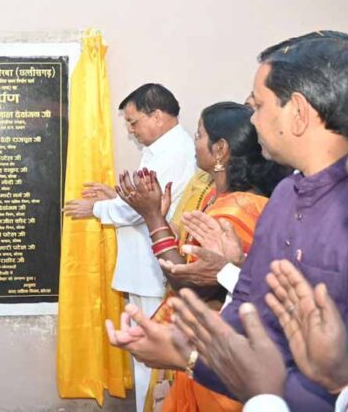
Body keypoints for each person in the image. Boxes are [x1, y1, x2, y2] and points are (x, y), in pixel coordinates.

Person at [105, 31, 348, 411]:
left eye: (258, 105)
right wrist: (188, 346)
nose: (253, 120)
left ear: (297, 112)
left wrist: (190, 358)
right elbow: (247, 305)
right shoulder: (286, 193)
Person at [116, 102, 287, 411]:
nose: (194, 143)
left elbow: (191, 286)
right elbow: (190, 261)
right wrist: (162, 220)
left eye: (199, 135)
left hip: (219, 352)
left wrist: (153, 218)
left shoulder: (237, 210)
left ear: (220, 149)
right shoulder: (213, 196)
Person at [64, 83, 196, 411]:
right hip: (144, 268)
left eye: (134, 122)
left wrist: (95, 208)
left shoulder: (174, 151)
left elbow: (143, 210)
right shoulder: (160, 149)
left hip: (155, 269)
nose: (131, 131)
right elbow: (143, 200)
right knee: (143, 355)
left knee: (152, 357)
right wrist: (116, 195)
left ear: (158, 116)